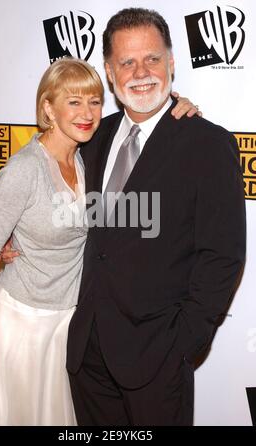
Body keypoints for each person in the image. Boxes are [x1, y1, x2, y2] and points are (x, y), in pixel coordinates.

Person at [0, 57, 198, 426]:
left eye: (95, 101)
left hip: (70, 327)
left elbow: (143, 123)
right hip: (24, 325)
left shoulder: (91, 154)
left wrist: (177, 103)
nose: (87, 113)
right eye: (74, 102)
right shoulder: (24, 170)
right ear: (48, 108)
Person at [65, 8, 246, 426]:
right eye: (127, 62)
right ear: (110, 73)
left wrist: (184, 342)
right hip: (88, 352)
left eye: (152, 58)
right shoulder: (93, 136)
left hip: (158, 358)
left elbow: (223, 255)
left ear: (172, 63)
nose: (141, 72)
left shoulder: (208, 144)